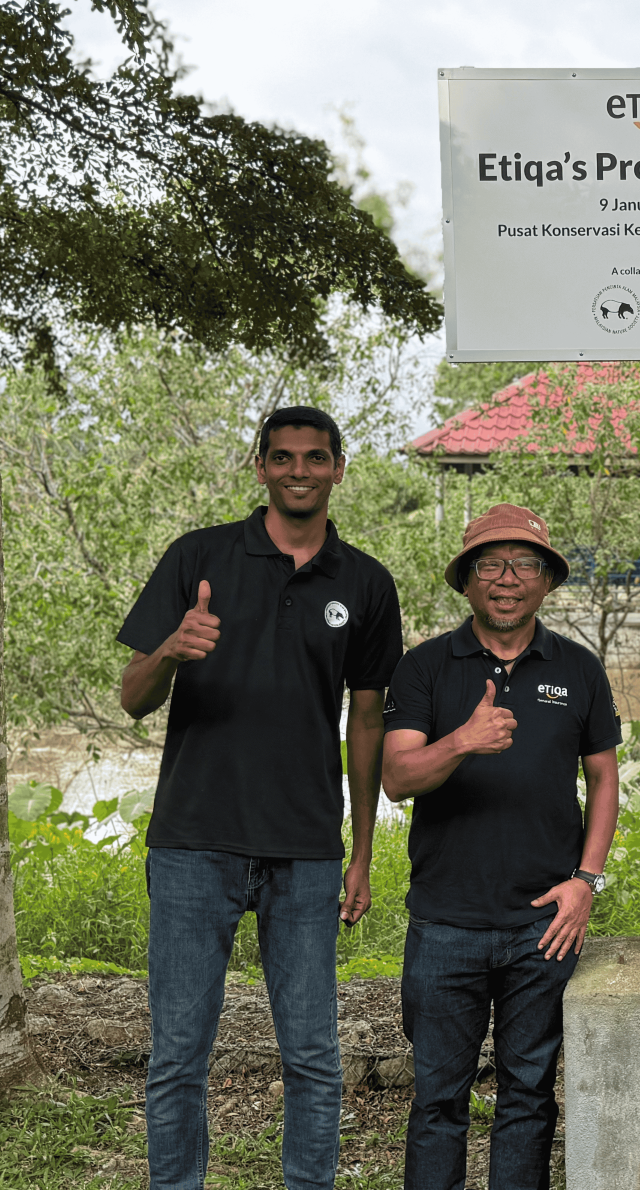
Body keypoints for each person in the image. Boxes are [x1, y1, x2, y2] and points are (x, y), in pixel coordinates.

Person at [118, 406, 403, 1190]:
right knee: (179, 1055)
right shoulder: (199, 557)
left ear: (339, 468)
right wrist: (172, 649)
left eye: (316, 458)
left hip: (306, 850)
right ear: (261, 468)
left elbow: (369, 720)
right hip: (192, 843)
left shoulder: (367, 583)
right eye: (283, 458)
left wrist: (363, 853)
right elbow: (132, 697)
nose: (299, 471)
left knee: (313, 1057)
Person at [381, 503, 621, 1190]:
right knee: (437, 1102)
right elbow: (397, 779)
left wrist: (586, 881)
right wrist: (461, 740)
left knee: (527, 1097)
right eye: (491, 563)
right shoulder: (426, 667)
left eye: (525, 565)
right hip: (444, 924)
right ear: (467, 580)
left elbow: (604, 780)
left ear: (547, 581)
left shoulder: (578, 668)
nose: (508, 578)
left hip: (542, 925)